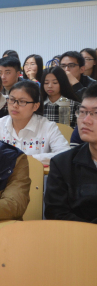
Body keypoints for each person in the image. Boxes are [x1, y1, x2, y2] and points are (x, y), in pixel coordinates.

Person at [44, 85, 97, 223]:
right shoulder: (62, 163)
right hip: (76, 235)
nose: (86, 120)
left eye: (95, 113)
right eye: (82, 112)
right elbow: (55, 212)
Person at [0, 81, 70, 165]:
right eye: (12, 99)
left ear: (35, 106)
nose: (15, 105)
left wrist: (28, 158)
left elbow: (65, 154)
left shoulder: (48, 127)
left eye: (22, 101)